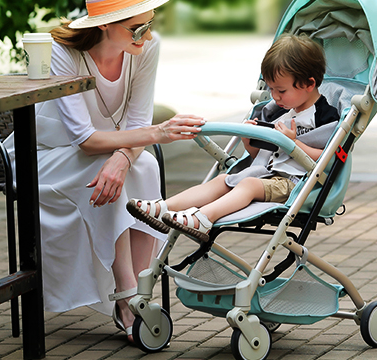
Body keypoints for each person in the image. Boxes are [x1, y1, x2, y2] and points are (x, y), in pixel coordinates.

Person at [3, 0, 205, 342]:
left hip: (102, 152)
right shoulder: (62, 53)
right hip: (42, 157)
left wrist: (123, 157)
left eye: (150, 23)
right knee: (109, 170)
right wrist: (157, 134)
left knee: (144, 167)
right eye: (136, 27)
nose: (147, 35)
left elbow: (137, 120)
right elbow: (83, 138)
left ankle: (141, 291)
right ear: (104, 25)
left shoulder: (146, 47)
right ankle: (126, 298)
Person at [128, 33, 339, 242]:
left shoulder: (325, 116)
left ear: (309, 84)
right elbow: (261, 157)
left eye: (281, 90)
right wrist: (249, 141)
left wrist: (293, 143)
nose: (275, 96)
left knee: (248, 185)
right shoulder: (278, 112)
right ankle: (163, 208)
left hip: (295, 184)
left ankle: (204, 218)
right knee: (223, 179)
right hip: (265, 175)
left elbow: (328, 159)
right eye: (271, 89)